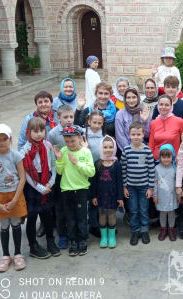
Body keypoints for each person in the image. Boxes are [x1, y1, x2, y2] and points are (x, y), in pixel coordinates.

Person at [0, 124, 27, 272]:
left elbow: (22, 179)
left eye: (5, 139)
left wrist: (15, 200)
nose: (2, 142)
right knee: (3, 226)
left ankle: (18, 254)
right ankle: (5, 256)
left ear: (10, 139)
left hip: (15, 194)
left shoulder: (16, 155)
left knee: (15, 224)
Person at [20, 118, 60, 258]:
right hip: (33, 186)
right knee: (32, 217)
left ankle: (50, 241)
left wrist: (51, 182)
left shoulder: (48, 145)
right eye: (35, 131)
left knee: (47, 215)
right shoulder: (24, 150)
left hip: (48, 182)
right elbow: (26, 173)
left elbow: (53, 166)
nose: (39, 134)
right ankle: (33, 246)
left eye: (41, 130)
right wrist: (40, 188)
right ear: (28, 132)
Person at [53, 125, 95, 256]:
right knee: (70, 218)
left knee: (81, 217)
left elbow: (91, 172)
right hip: (66, 190)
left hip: (81, 189)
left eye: (73, 141)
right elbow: (59, 171)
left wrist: (77, 163)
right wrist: (59, 159)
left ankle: (82, 240)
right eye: (67, 141)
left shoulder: (85, 152)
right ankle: (73, 241)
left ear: (79, 138)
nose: (70, 144)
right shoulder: (64, 151)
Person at [121, 122, 155, 246]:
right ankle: (135, 231)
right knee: (133, 210)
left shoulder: (147, 150)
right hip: (131, 187)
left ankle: (144, 230)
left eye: (138, 134)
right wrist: (124, 186)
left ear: (143, 135)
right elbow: (123, 169)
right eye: (133, 134)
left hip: (144, 187)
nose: (136, 137)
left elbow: (151, 169)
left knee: (144, 209)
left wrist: (150, 187)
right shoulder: (126, 150)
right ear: (129, 135)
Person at [47, 104, 75, 249]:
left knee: (72, 206)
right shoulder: (52, 134)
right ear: (58, 118)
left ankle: (73, 233)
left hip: (74, 174)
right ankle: (62, 235)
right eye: (65, 117)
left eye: (71, 117)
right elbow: (50, 154)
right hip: (59, 174)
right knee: (60, 207)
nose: (69, 120)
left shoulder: (78, 130)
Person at [91, 136, 124, 248]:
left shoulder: (117, 164)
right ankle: (104, 237)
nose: (108, 149)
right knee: (102, 215)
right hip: (101, 196)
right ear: (101, 148)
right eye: (105, 147)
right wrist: (94, 196)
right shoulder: (98, 163)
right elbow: (94, 182)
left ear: (114, 148)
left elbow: (120, 182)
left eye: (111, 147)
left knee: (111, 215)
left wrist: (120, 197)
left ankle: (111, 237)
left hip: (112, 196)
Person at [84, 110, 106, 238]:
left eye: (99, 123)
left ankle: (99, 222)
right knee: (91, 198)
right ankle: (93, 225)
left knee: (99, 197)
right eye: (94, 122)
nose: (97, 125)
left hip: (100, 169)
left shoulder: (104, 135)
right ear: (88, 122)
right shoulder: (84, 134)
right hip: (88, 170)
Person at [153, 144, 180, 241]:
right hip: (161, 196)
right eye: (163, 157)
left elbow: (177, 184)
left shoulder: (175, 169)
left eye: (168, 157)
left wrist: (178, 196)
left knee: (171, 212)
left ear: (172, 156)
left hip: (172, 195)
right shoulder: (157, 168)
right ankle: (163, 230)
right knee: (163, 213)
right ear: (160, 157)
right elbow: (155, 183)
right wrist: (155, 196)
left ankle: (171, 230)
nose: (165, 159)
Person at [149, 95, 183, 160]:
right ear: (157, 106)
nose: (163, 107)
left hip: (173, 160)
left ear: (171, 106)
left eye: (167, 105)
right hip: (157, 160)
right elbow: (151, 145)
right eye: (161, 104)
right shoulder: (154, 123)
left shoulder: (179, 121)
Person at [115, 88, 150, 152]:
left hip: (142, 148)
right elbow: (120, 137)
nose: (131, 100)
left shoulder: (144, 111)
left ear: (138, 98)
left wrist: (145, 121)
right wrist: (129, 151)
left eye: (134, 97)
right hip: (127, 150)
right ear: (125, 99)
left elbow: (147, 135)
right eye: (128, 97)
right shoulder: (120, 114)